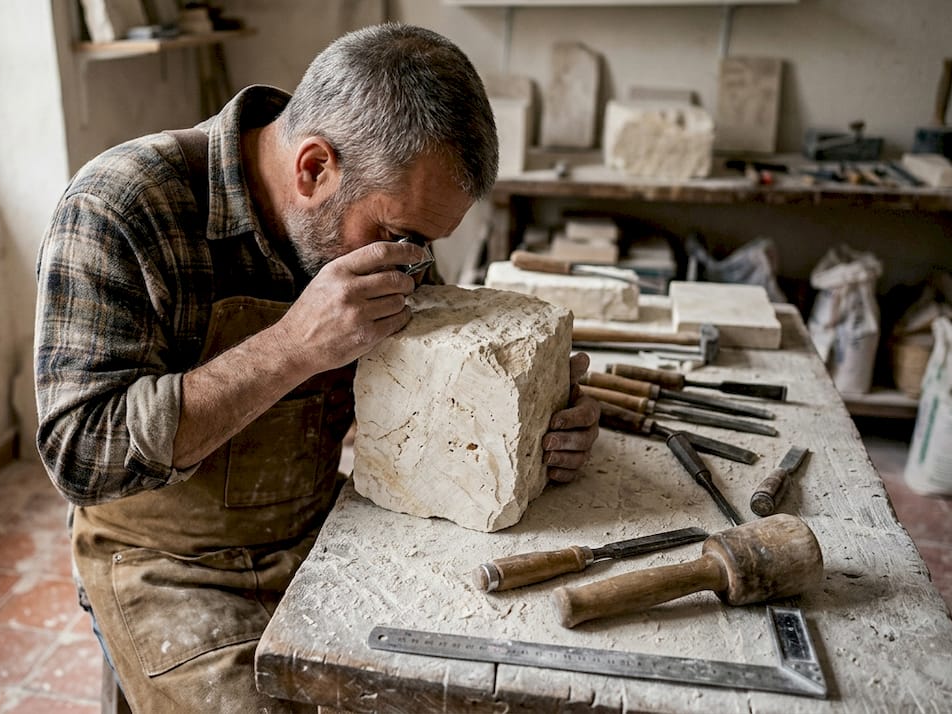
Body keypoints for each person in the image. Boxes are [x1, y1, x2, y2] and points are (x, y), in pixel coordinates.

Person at [34, 22, 600, 712]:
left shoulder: (387, 216)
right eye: (401, 237)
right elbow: (80, 454)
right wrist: (292, 345)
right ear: (313, 169)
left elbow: (424, 373)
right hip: (168, 566)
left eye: (429, 244)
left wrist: (533, 417)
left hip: (319, 530)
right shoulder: (120, 208)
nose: (416, 263)